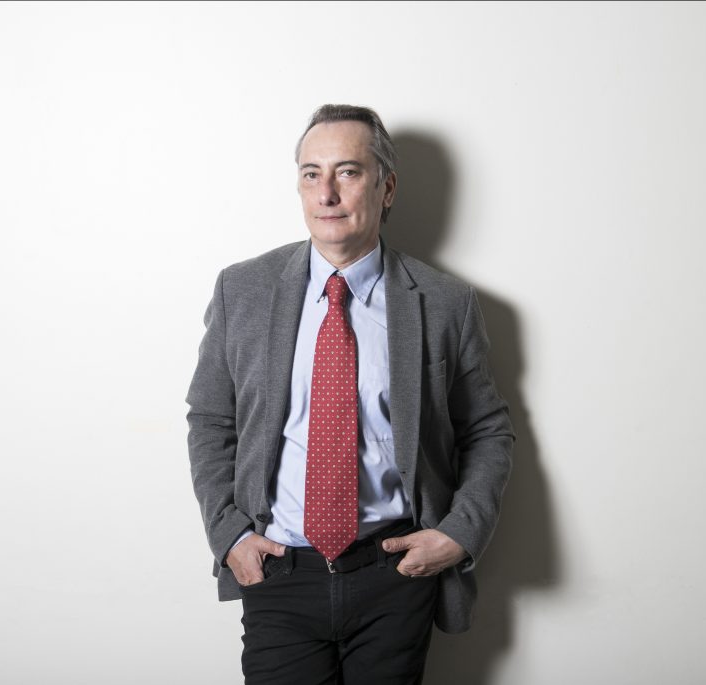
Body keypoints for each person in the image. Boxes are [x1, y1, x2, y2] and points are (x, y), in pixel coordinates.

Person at [186, 104, 514, 684]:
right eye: (311, 174)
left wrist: (458, 533)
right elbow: (211, 418)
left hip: (394, 575)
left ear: (387, 188)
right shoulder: (244, 289)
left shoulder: (444, 303)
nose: (327, 194)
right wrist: (229, 533)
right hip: (279, 572)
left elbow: (487, 430)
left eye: (348, 172)